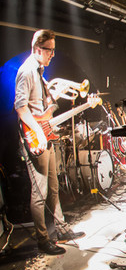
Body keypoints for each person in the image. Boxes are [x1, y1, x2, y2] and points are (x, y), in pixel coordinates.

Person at [15, 30, 85, 255]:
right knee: (40, 193)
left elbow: (41, 105)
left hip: (45, 132)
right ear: (37, 49)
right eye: (50, 50)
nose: (53, 54)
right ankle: (43, 240)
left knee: (53, 187)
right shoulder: (26, 71)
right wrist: (38, 130)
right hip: (35, 136)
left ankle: (62, 230)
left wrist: (57, 94)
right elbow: (20, 107)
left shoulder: (39, 71)